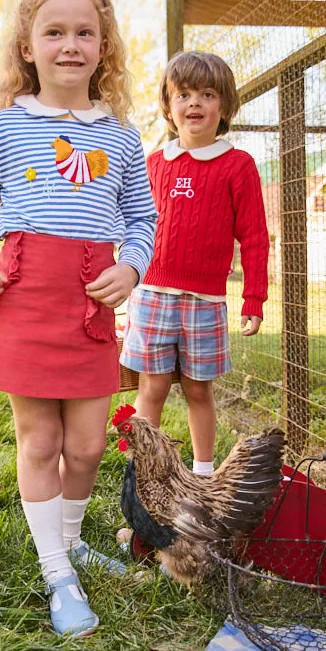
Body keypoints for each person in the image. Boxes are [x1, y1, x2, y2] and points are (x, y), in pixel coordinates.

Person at [0, 0, 157, 638]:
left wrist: (129, 266)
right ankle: (55, 569)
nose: (70, 45)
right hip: (25, 295)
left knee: (90, 444)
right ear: (27, 45)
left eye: (84, 33)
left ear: (104, 47)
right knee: (40, 440)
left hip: (91, 301)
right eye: (54, 32)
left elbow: (141, 216)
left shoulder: (121, 135)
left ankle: (70, 539)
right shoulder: (4, 126)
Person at [120, 50, 269, 475]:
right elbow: (132, 225)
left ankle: (204, 476)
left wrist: (254, 298)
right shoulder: (153, 164)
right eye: (183, 94)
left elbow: (255, 237)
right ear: (169, 106)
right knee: (152, 388)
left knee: (199, 391)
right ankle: (144, 474)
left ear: (224, 107)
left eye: (207, 94)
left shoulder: (238, 166)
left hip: (204, 301)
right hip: (151, 294)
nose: (195, 103)